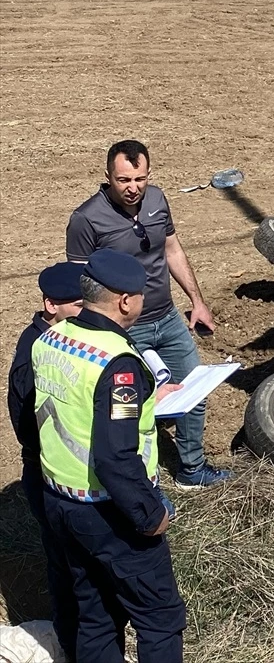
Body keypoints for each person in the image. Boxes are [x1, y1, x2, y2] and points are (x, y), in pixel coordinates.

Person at [32, 249, 187, 663]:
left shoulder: (51, 337)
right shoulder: (117, 362)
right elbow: (115, 457)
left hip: (60, 502)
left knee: (96, 615)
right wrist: (150, 515)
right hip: (109, 512)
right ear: (124, 300)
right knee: (160, 617)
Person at [66, 140, 230, 488]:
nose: (133, 188)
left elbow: (171, 249)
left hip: (168, 318)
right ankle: (140, 482)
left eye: (139, 179)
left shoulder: (156, 200)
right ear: (107, 176)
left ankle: (192, 468)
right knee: (133, 408)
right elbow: (80, 286)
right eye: (123, 180)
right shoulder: (86, 219)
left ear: (149, 174)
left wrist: (197, 301)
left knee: (191, 392)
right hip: (124, 329)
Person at [8, 262, 86, 660]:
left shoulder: (65, 339)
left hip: (65, 477)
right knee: (65, 567)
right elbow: (27, 425)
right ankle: (72, 645)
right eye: (78, 304)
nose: (85, 310)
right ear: (50, 304)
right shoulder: (33, 353)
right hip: (48, 478)